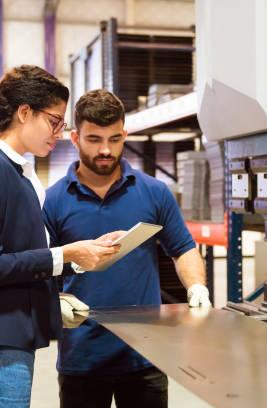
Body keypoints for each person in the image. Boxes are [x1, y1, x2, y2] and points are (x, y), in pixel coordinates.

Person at [0, 66, 120, 407]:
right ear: (25, 112)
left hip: (7, 335)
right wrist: (65, 254)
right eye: (54, 121)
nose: (58, 132)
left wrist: (82, 259)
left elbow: (21, 255)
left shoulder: (19, 173)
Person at [43, 89, 212, 408]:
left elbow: (183, 249)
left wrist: (197, 287)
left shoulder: (154, 193)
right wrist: (54, 300)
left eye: (115, 138)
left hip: (145, 357)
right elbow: (41, 266)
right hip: (82, 358)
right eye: (94, 139)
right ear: (75, 137)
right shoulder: (54, 200)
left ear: (125, 134)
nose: (105, 149)